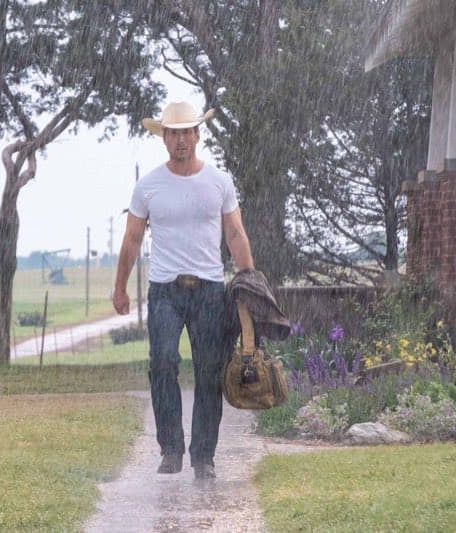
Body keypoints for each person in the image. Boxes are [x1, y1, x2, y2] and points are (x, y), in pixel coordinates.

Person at [113, 102, 255, 480]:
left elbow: (235, 233)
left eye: (186, 132)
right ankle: (171, 449)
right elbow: (131, 239)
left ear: (197, 135)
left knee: (210, 371)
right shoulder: (148, 186)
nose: (179, 139)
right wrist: (120, 287)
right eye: (172, 133)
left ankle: (203, 456)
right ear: (164, 138)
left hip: (210, 290)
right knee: (162, 362)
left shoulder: (219, 182)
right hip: (164, 291)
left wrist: (251, 279)